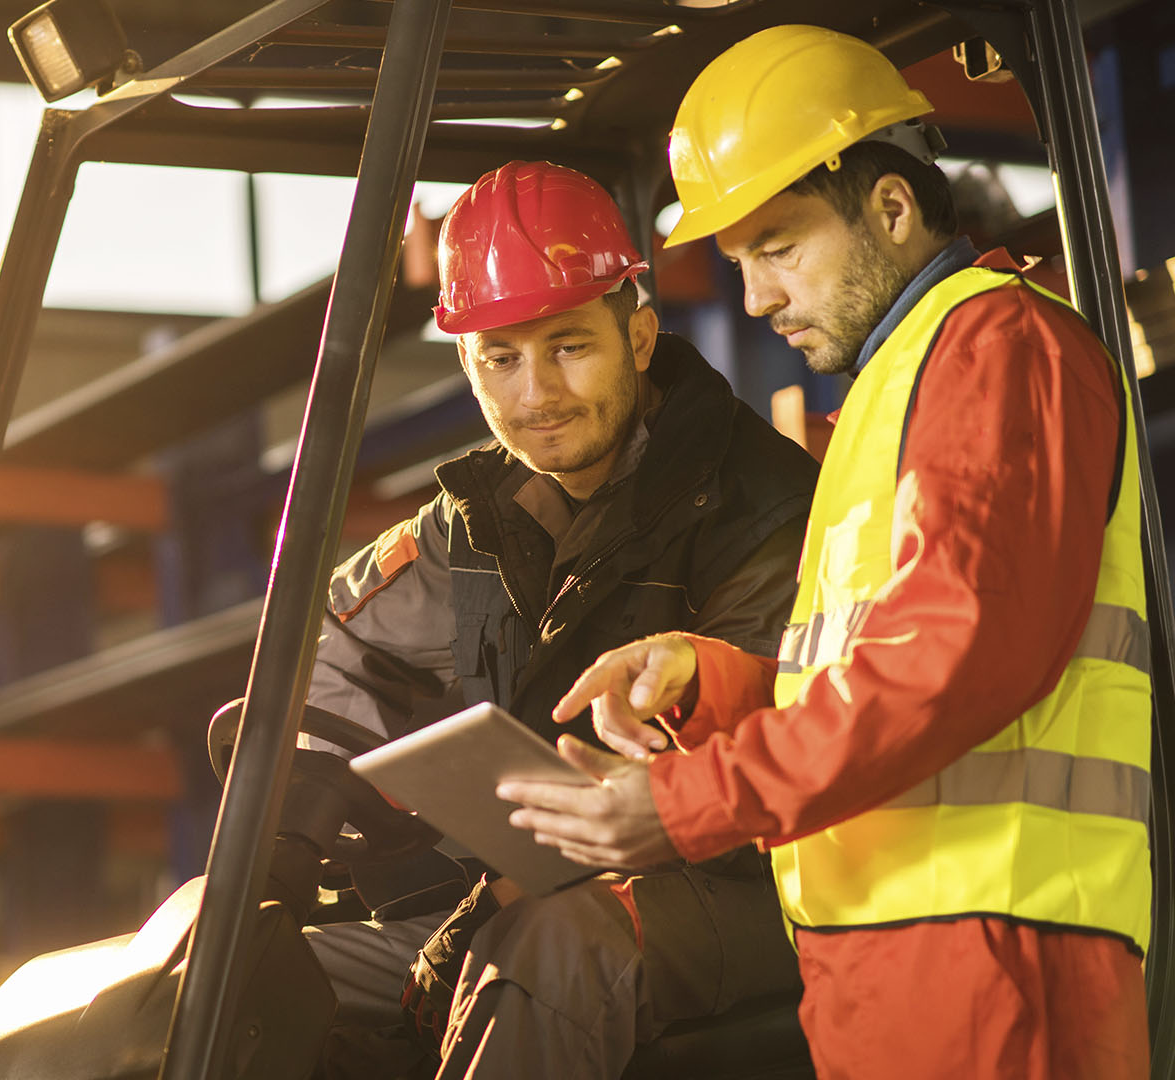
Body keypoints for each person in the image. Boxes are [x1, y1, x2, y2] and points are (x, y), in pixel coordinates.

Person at [508, 25, 1153, 1079]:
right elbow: (880, 673)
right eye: (740, 263)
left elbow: (955, 662)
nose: (756, 298)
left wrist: (684, 804)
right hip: (897, 956)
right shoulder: (898, 384)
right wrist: (713, 684)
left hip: (993, 956)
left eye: (779, 248)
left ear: (892, 209)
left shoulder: (994, 348)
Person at [299, 159, 819, 1078]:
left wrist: (510, 889)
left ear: (640, 336)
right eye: (501, 358)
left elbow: (756, 768)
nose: (536, 394)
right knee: (243, 960)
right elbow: (331, 649)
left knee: (547, 950)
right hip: (528, 883)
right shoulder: (474, 517)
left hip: (763, 890)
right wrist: (305, 820)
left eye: (569, 345)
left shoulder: (760, 511)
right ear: (468, 366)